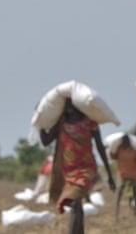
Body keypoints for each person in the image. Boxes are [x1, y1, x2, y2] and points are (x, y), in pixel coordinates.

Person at [39, 97, 116, 234]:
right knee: (76, 204)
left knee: (74, 202)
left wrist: (110, 175)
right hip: (67, 172)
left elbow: (100, 147)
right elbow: (46, 141)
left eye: (72, 105)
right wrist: (40, 121)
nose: (69, 108)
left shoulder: (89, 122)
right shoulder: (61, 123)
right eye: (66, 105)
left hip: (86, 169)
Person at [109, 134, 136, 221]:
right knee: (119, 194)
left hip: (133, 174)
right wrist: (111, 150)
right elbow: (113, 156)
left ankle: (134, 211)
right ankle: (116, 215)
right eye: (124, 141)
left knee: (134, 194)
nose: (125, 143)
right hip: (122, 175)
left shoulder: (134, 150)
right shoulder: (119, 149)